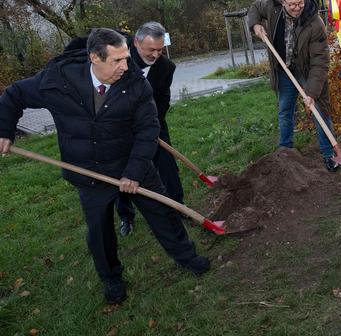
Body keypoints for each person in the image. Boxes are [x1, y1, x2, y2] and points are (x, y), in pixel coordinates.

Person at [0, 28, 210, 305]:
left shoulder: (135, 84)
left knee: (162, 212)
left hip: (131, 161)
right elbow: (14, 95)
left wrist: (134, 173)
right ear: (94, 59)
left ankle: (186, 256)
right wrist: (4, 130)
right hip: (89, 171)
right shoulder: (59, 81)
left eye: (126, 58)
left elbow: (149, 130)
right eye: (117, 61)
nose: (126, 66)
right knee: (100, 231)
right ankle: (111, 279)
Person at [247, 0, 339, 172]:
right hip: (284, 70)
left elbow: (320, 62)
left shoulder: (315, 23)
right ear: (282, 1)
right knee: (285, 110)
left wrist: (311, 92)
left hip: (306, 71)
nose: (297, 7)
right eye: (292, 4)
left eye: (300, 3)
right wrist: (255, 24)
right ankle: (285, 151)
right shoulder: (272, 8)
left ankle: (329, 154)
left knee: (319, 111)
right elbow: (255, 7)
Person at [116, 21, 184, 237]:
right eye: (150, 50)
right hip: (118, 125)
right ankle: (126, 216)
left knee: (166, 165)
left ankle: (177, 207)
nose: (155, 55)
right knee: (123, 172)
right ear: (136, 43)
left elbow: (163, 99)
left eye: (159, 49)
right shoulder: (118, 57)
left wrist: (150, 125)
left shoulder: (166, 67)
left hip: (152, 121)